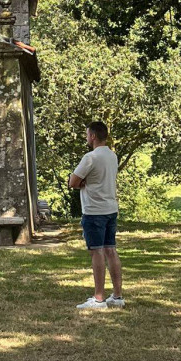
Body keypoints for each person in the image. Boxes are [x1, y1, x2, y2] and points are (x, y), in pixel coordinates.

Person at [70, 121, 124, 310]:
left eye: (87, 135)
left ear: (93, 136)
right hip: (110, 208)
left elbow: (73, 181)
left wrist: (83, 182)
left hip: (94, 210)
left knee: (97, 251)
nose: (86, 138)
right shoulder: (112, 156)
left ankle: (99, 298)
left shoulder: (90, 157)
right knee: (111, 249)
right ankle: (117, 296)